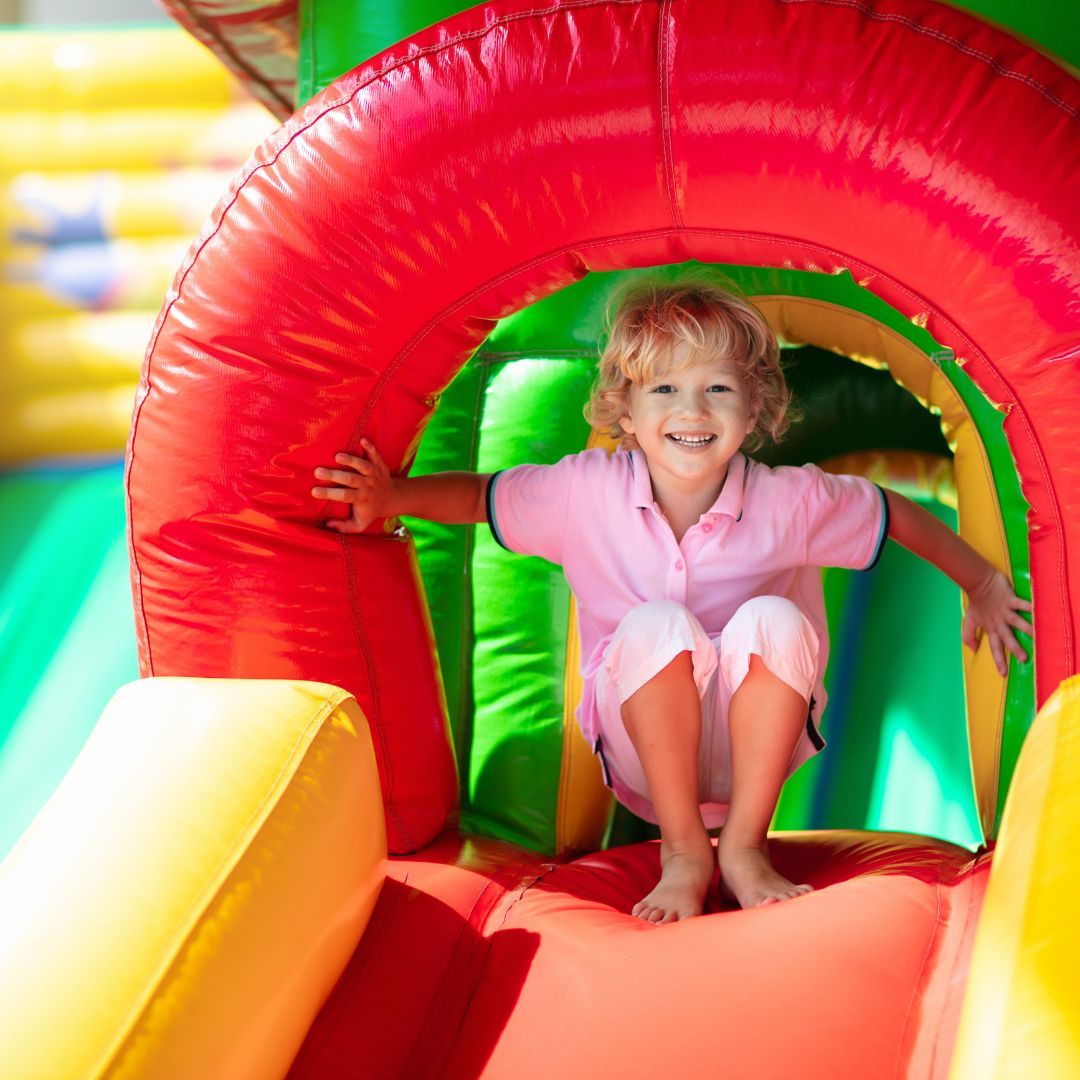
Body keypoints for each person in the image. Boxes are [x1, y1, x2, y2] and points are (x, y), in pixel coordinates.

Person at [311, 279, 1033, 924]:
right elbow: (481, 495)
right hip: (643, 750)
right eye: (663, 390)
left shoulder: (789, 501)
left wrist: (983, 585)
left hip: (756, 738)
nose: (692, 410)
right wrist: (393, 499)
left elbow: (891, 513)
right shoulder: (583, 492)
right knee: (659, 626)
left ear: (755, 410)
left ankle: (746, 848)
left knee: (772, 619)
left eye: (717, 389)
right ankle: (685, 851)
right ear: (623, 409)